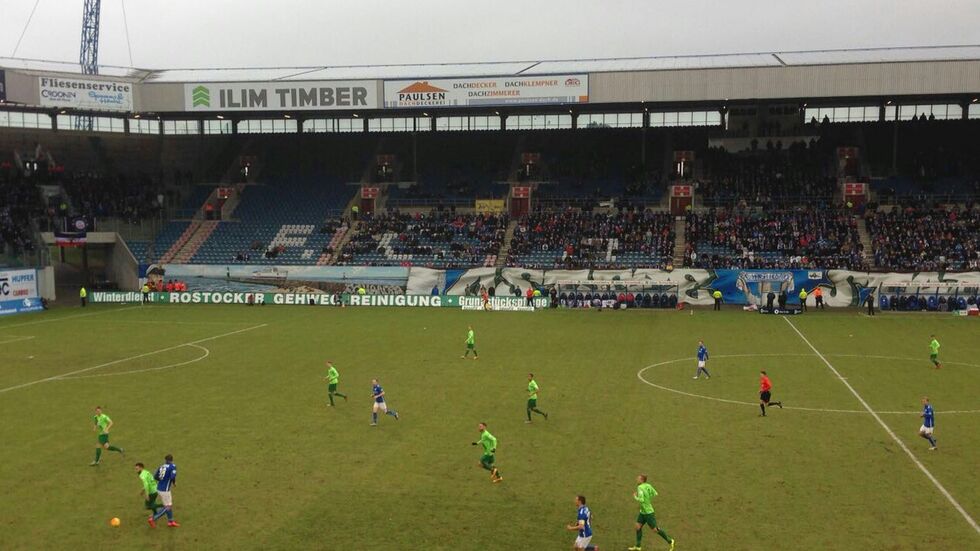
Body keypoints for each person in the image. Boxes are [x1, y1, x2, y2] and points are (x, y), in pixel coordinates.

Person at [629, 474, 674, 551]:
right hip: (643, 512)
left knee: (655, 529)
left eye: (638, 478)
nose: (637, 479)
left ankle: (670, 541)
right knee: (637, 527)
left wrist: (635, 497)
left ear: (642, 480)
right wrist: (648, 498)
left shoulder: (639, 488)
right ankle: (638, 546)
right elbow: (655, 493)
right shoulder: (648, 485)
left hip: (648, 513)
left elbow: (641, 500)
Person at [149, 454, 179, 528]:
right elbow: (172, 476)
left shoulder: (161, 466)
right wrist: (174, 482)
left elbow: (155, 476)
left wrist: (162, 480)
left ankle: (170, 521)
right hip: (165, 490)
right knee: (168, 506)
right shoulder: (173, 466)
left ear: (165, 460)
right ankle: (153, 518)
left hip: (159, 488)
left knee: (167, 505)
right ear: (172, 460)